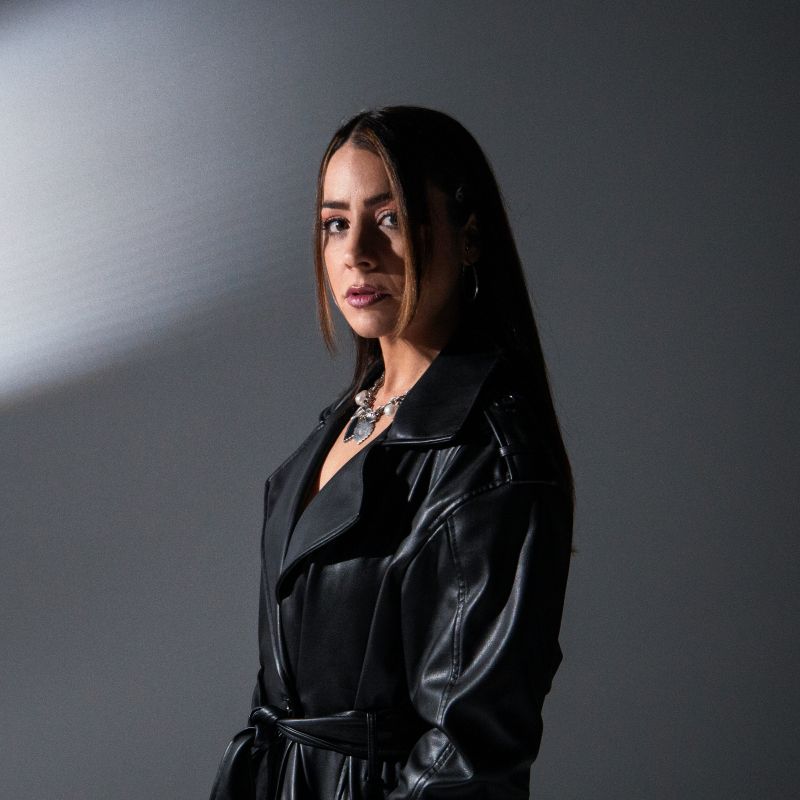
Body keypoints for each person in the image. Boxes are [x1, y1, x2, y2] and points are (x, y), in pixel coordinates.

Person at [210, 106, 574, 800]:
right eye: (335, 223)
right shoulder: (353, 416)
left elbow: (467, 759)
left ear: (469, 237)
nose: (357, 252)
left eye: (391, 218)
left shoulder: (489, 463)